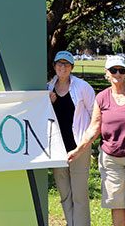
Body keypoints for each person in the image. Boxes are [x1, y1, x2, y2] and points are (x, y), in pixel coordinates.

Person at [68, 55, 125, 226]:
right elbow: (94, 127)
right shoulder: (102, 98)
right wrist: (78, 149)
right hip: (110, 160)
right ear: (106, 73)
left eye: (121, 70)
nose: (117, 73)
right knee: (116, 203)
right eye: (113, 70)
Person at [48, 51, 96, 226]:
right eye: (59, 64)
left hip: (78, 147)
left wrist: (87, 142)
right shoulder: (48, 88)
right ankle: (71, 223)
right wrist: (48, 103)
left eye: (66, 64)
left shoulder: (82, 87)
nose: (63, 67)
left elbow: (95, 116)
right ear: (54, 66)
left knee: (79, 194)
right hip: (56, 147)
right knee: (64, 193)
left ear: (72, 67)